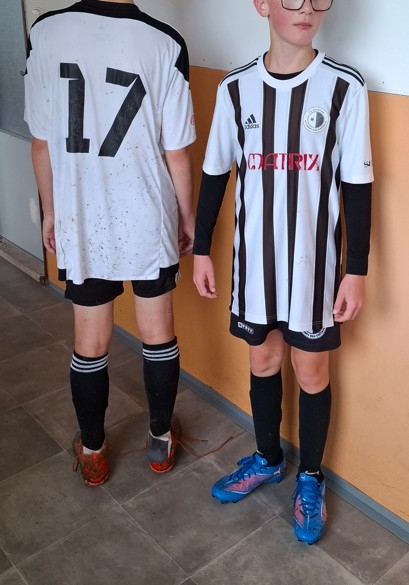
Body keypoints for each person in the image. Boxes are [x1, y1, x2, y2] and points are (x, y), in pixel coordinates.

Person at [193, 0, 372, 544]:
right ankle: (268, 458)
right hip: (255, 264)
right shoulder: (236, 88)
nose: (307, 8)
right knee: (262, 358)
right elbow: (215, 173)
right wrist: (201, 249)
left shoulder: (344, 88)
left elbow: (357, 185)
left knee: (311, 370)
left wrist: (356, 271)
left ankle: (310, 477)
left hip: (314, 268)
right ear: (262, 4)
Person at [24, 0, 196, 486]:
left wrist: (51, 211)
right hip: (148, 213)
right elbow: (177, 154)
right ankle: (160, 443)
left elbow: (41, 143)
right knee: (157, 333)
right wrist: (187, 219)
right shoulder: (166, 43)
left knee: (89, 342)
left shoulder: (46, 32)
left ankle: (94, 453)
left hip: (83, 216)